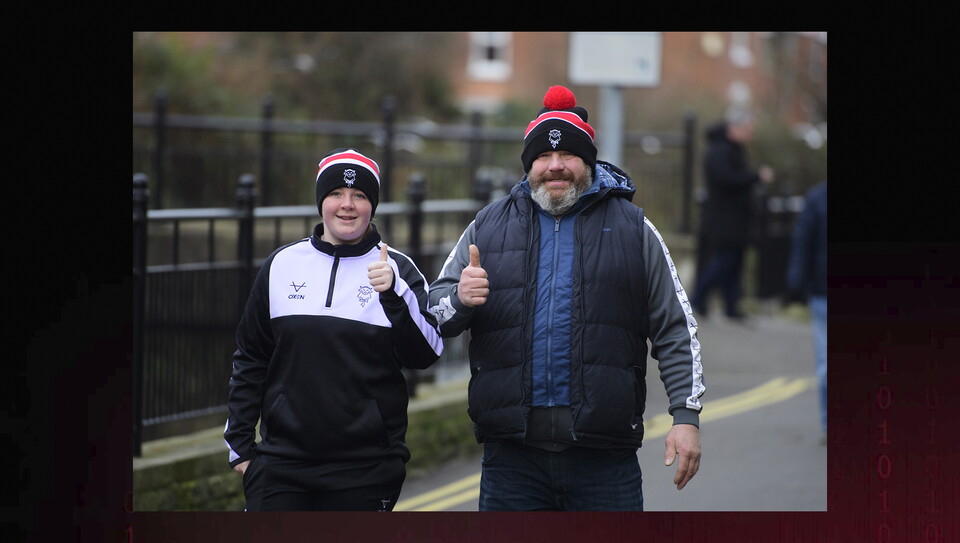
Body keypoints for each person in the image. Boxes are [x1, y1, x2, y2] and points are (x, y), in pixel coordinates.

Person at [428, 85, 705, 511]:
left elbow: (675, 327)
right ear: (529, 164)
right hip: (512, 461)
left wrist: (685, 417)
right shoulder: (486, 226)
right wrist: (461, 298)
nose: (555, 166)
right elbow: (435, 312)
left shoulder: (634, 229)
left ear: (587, 162)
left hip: (605, 461)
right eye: (543, 156)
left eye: (568, 155)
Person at [223, 148, 444, 511]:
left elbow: (426, 355)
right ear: (320, 202)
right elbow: (250, 358)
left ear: (372, 206)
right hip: (280, 466)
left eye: (359, 196)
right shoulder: (282, 264)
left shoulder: (397, 270)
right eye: (336, 194)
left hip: (366, 469)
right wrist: (241, 450)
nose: (347, 205)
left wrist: (393, 292)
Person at [690, 106, 774, 322]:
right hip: (724, 218)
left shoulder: (733, 149)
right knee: (724, 261)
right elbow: (728, 179)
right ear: (734, 128)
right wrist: (756, 176)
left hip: (736, 218)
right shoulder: (720, 151)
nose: (750, 133)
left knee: (735, 262)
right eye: (747, 128)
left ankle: (731, 306)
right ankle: (697, 300)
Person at [785, 180, 827, 440]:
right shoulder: (816, 199)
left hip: (822, 289)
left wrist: (796, 283)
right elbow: (802, 242)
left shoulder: (817, 198)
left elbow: (802, 242)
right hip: (822, 292)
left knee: (826, 361)